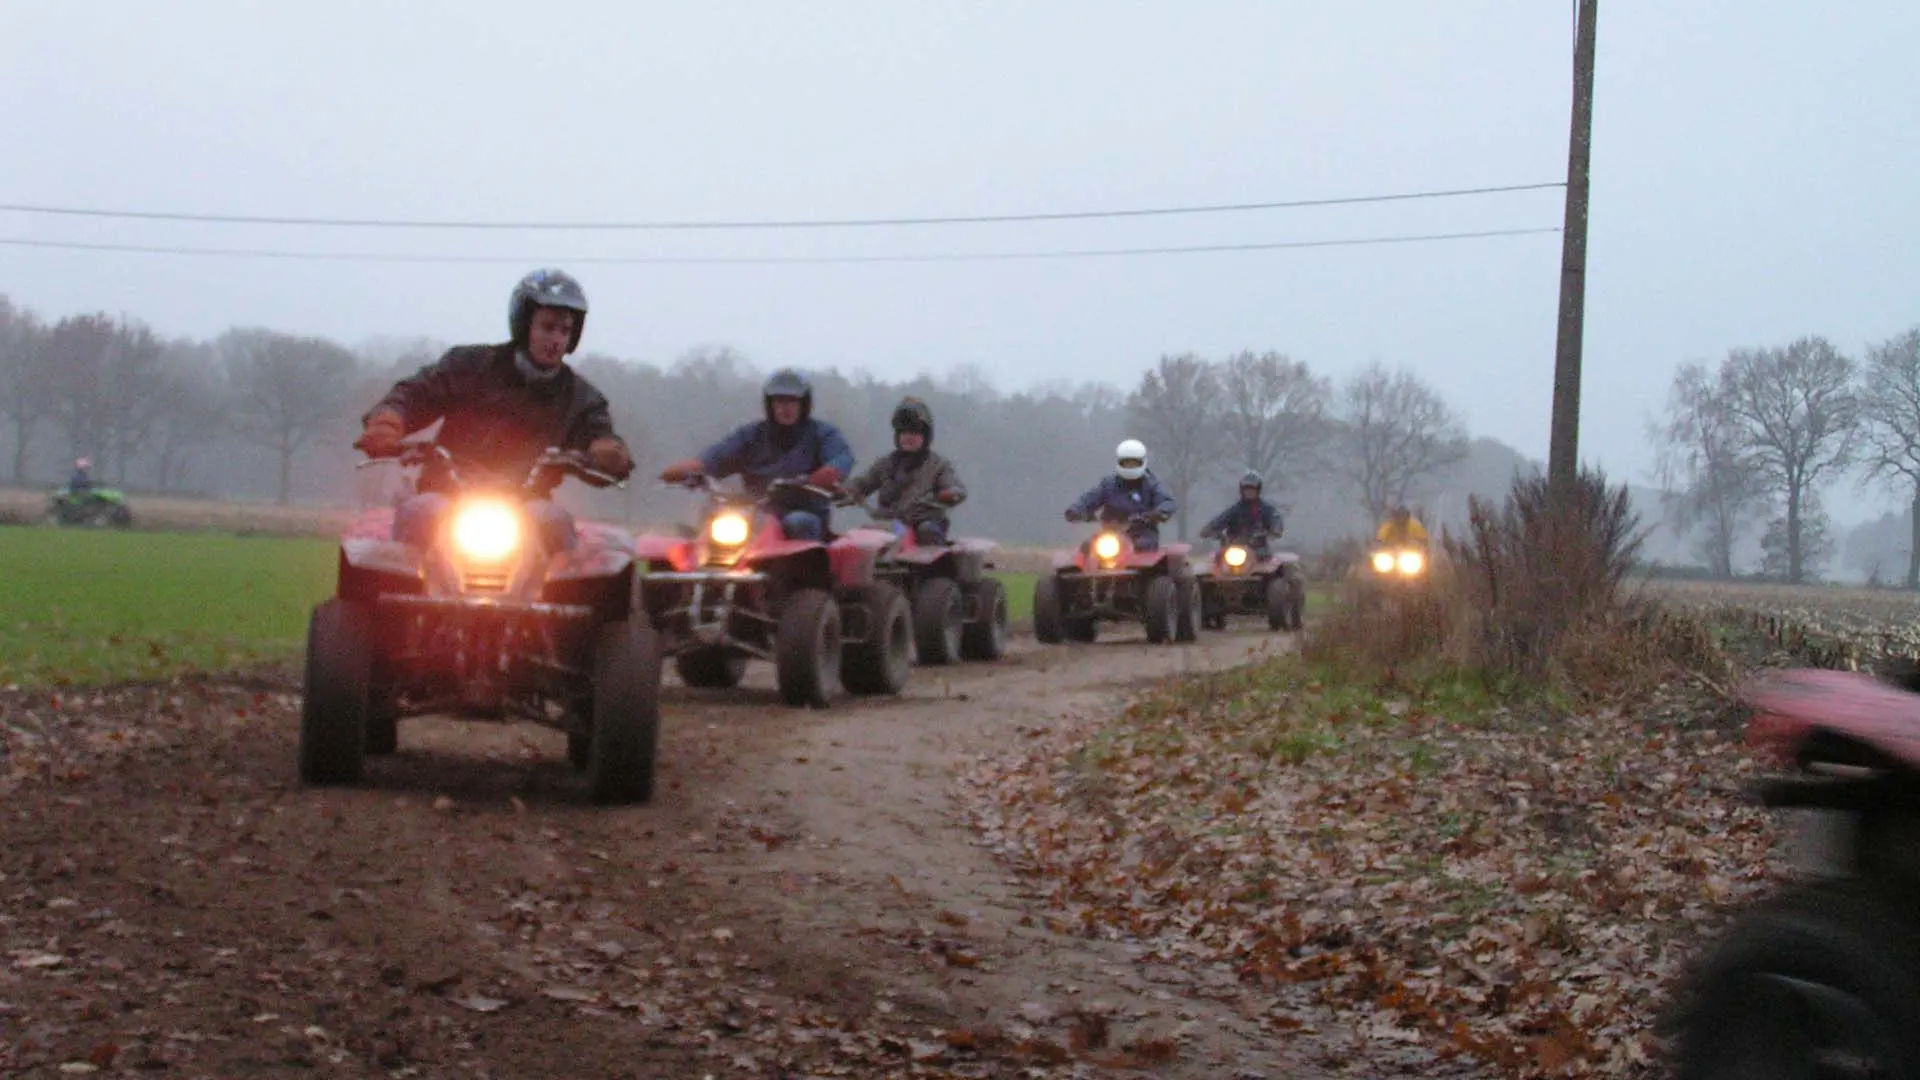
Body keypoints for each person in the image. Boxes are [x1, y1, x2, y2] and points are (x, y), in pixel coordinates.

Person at [353, 268, 635, 553]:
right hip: (446, 494)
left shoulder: (580, 397)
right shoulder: (469, 367)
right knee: (420, 513)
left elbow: (598, 433)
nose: (556, 339)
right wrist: (388, 422)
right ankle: (397, 597)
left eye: (565, 331)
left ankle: (558, 598)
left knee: (555, 522)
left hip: (528, 503)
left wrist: (606, 454)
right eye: (548, 327)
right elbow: (416, 393)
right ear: (525, 326)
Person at [658, 368, 854, 541]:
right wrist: (684, 472)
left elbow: (842, 458)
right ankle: (698, 576)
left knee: (799, 523)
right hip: (755, 511)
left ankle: (802, 581)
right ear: (770, 404)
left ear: (804, 404)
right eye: (779, 401)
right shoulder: (750, 435)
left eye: (793, 401)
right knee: (714, 516)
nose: (786, 407)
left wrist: (824, 475)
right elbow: (714, 459)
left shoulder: (823, 434)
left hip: (803, 510)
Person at [844, 396, 965, 545]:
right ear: (897, 435)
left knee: (927, 530)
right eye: (904, 432)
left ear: (925, 436)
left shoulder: (938, 465)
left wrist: (951, 493)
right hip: (889, 525)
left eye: (914, 432)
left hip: (924, 524)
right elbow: (862, 483)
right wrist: (845, 489)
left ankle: (934, 568)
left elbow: (954, 487)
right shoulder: (885, 464)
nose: (908, 437)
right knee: (860, 536)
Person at [1064, 438, 1176, 551]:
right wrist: (1076, 510)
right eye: (1127, 463)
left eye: (1134, 463)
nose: (1130, 466)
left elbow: (1166, 501)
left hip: (1142, 534)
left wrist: (1159, 512)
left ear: (1143, 462)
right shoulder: (1108, 485)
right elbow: (1089, 498)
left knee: (1142, 547)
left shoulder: (1151, 485)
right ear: (1119, 462)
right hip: (1110, 536)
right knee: (1087, 547)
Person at [1200, 470, 1283, 557]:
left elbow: (1275, 518)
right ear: (1242, 490)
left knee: (1273, 565)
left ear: (1258, 490)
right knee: (1215, 560)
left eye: (1252, 489)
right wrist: (1210, 529)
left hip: (1258, 550)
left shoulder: (1266, 509)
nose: (1249, 491)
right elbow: (1220, 520)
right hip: (1233, 549)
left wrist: (1275, 529)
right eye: (1246, 489)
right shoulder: (1234, 510)